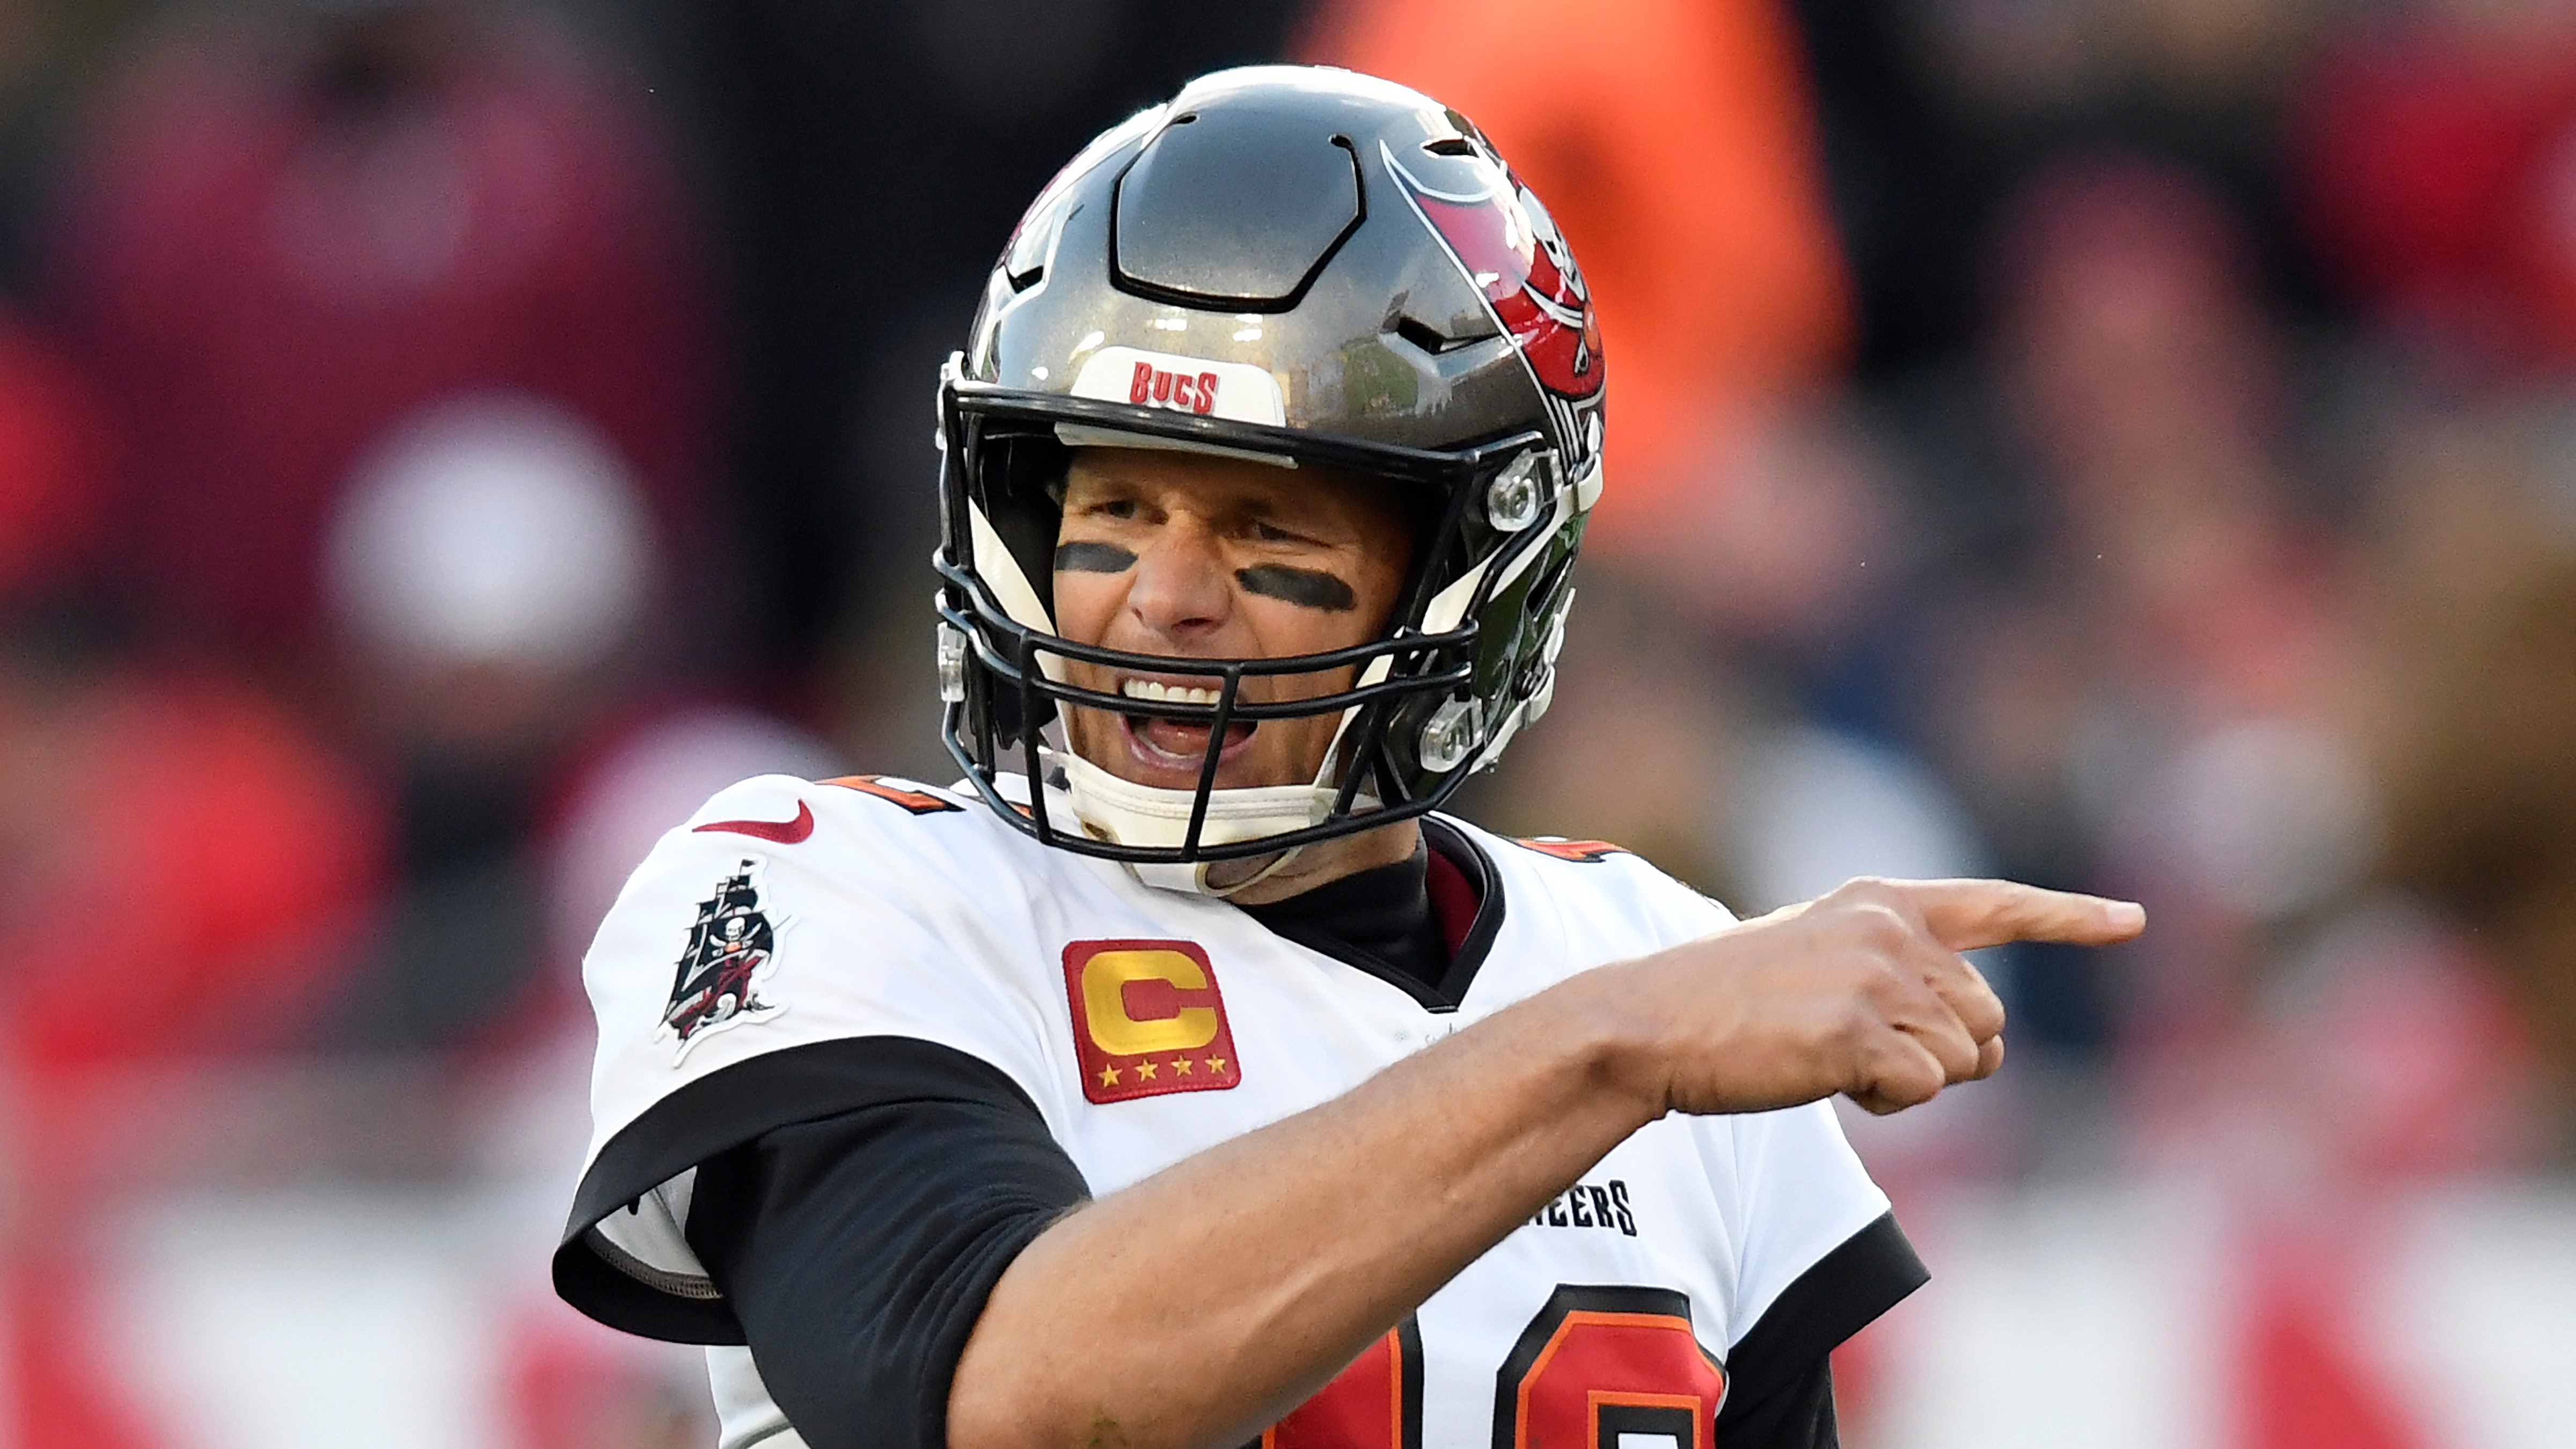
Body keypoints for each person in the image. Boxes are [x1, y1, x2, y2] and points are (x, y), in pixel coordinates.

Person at [551, 67, 2143, 1449]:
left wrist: (1634, 1026)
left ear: (1468, 566)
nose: (1162, 594)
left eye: (1265, 522)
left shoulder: (1648, 961)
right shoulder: (836, 896)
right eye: (1111, 508)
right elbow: (1006, 1401)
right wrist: (1608, 1052)